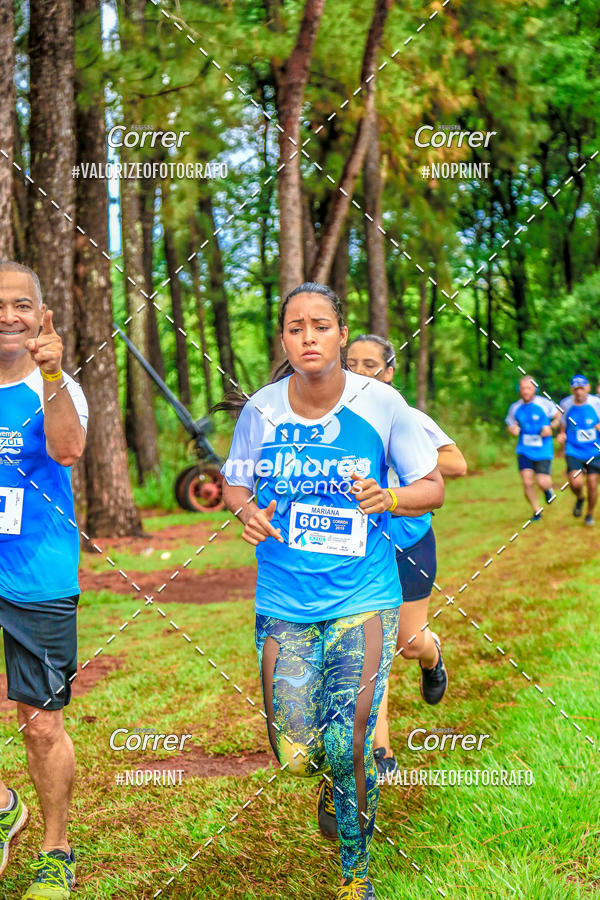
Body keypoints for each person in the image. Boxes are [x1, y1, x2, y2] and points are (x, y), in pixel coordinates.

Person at [219, 283, 444, 900]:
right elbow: (235, 485)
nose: (308, 336)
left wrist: (390, 497)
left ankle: (356, 875)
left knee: (349, 742)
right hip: (283, 602)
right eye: (296, 328)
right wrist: (246, 514)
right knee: (295, 754)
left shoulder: (383, 403)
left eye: (321, 325)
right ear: (284, 339)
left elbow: (433, 486)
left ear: (341, 334)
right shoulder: (261, 410)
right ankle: (338, 770)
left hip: (362, 596)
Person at [0, 261, 87, 899]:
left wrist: (53, 373)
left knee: (41, 724)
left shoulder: (55, 385)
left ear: (41, 314)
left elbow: (66, 451)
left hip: (38, 577)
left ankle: (56, 851)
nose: (7, 316)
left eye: (21, 305)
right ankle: (6, 804)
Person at [346, 334, 467, 775]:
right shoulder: (331, 420)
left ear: (389, 372)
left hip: (410, 541)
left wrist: (405, 458)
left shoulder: (407, 415)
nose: (359, 373)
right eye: (352, 364)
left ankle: (433, 658)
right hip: (360, 546)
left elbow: (456, 465)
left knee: (409, 644)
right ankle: (382, 749)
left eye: (370, 365)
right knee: (368, 651)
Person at [505, 376, 560, 520]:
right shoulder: (515, 407)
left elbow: (559, 416)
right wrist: (513, 429)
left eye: (528, 388)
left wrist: (551, 427)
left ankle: (548, 489)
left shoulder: (545, 403)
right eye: (523, 388)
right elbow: (510, 424)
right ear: (519, 390)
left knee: (542, 481)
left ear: (534, 388)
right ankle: (537, 511)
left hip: (543, 449)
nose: (525, 391)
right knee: (527, 481)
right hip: (524, 449)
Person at [558, 375, 600, 526]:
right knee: (576, 483)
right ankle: (580, 497)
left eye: (582, 388)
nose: (579, 392)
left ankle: (589, 514)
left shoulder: (596, 403)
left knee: (592, 484)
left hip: (594, 451)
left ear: (588, 388)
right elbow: (563, 425)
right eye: (576, 389)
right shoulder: (565, 404)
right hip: (573, 449)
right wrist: (561, 435)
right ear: (572, 390)